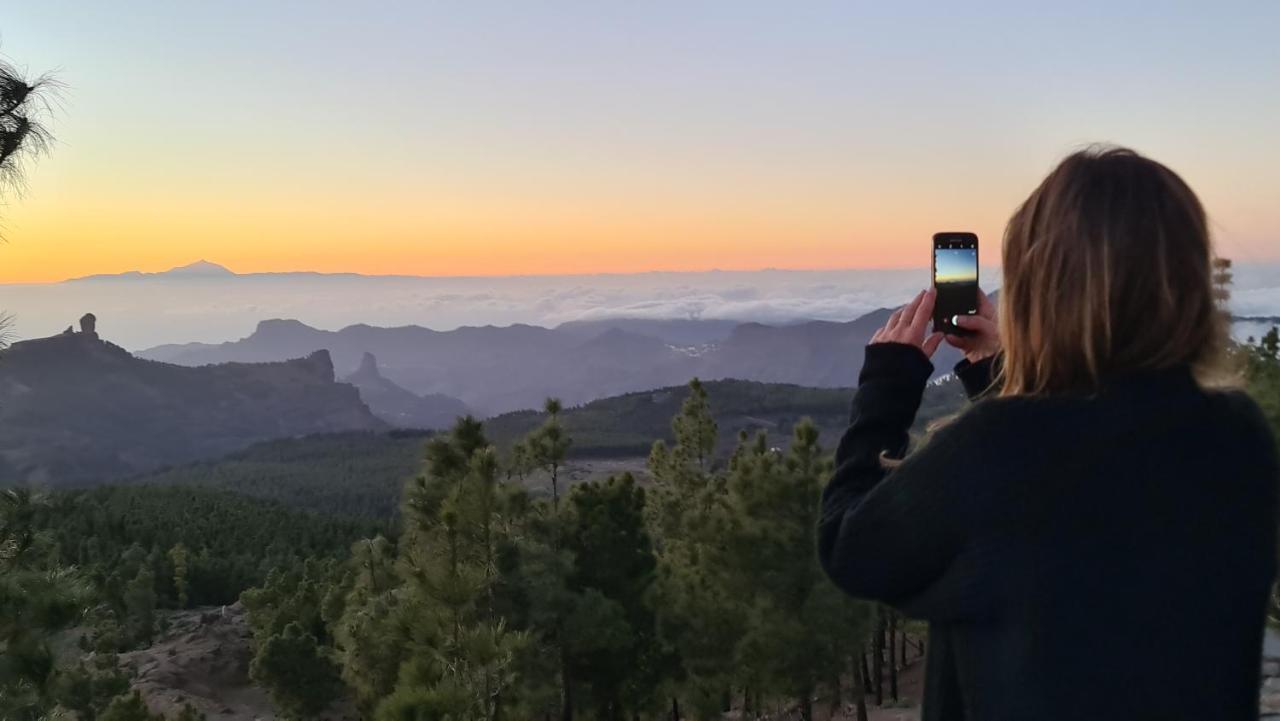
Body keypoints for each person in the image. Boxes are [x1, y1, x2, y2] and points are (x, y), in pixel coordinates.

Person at [819, 146, 1279, 721]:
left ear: (1045, 288)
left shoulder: (1000, 450)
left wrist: (886, 389)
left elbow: (852, 548)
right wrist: (997, 372)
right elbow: (1071, 527)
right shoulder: (1239, 437)